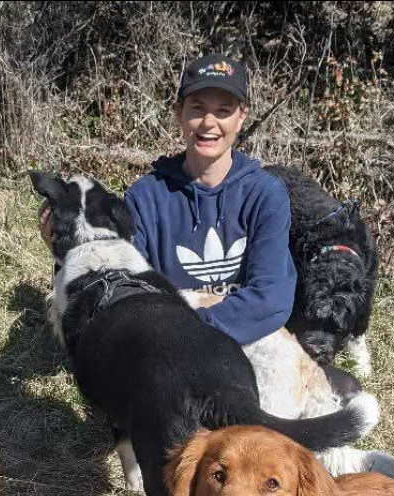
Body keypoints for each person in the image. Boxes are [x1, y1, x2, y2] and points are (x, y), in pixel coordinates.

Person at [123, 52, 296, 346]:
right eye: (198, 108)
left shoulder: (266, 195)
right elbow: (128, 288)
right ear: (179, 113)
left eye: (223, 111)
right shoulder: (145, 197)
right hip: (166, 346)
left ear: (242, 117)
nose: (208, 123)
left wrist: (193, 328)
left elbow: (271, 298)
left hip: (232, 343)